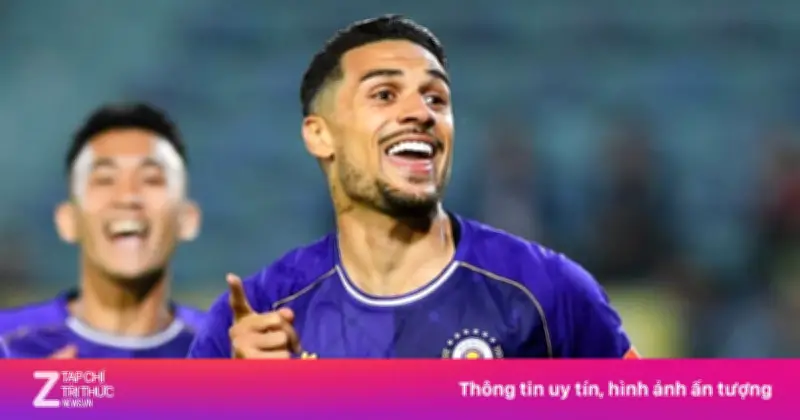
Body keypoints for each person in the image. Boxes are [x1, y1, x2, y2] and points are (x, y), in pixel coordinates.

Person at [189, 15, 639, 359]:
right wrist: (244, 400)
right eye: (384, 94)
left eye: (436, 98)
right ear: (320, 135)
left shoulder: (548, 293)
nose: (421, 113)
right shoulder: (254, 319)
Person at [0, 102, 205, 358]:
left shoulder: (223, 350)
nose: (128, 197)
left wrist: (243, 380)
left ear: (188, 219)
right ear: (68, 220)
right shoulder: (7, 344)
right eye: (105, 180)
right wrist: (21, 385)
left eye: (151, 179)